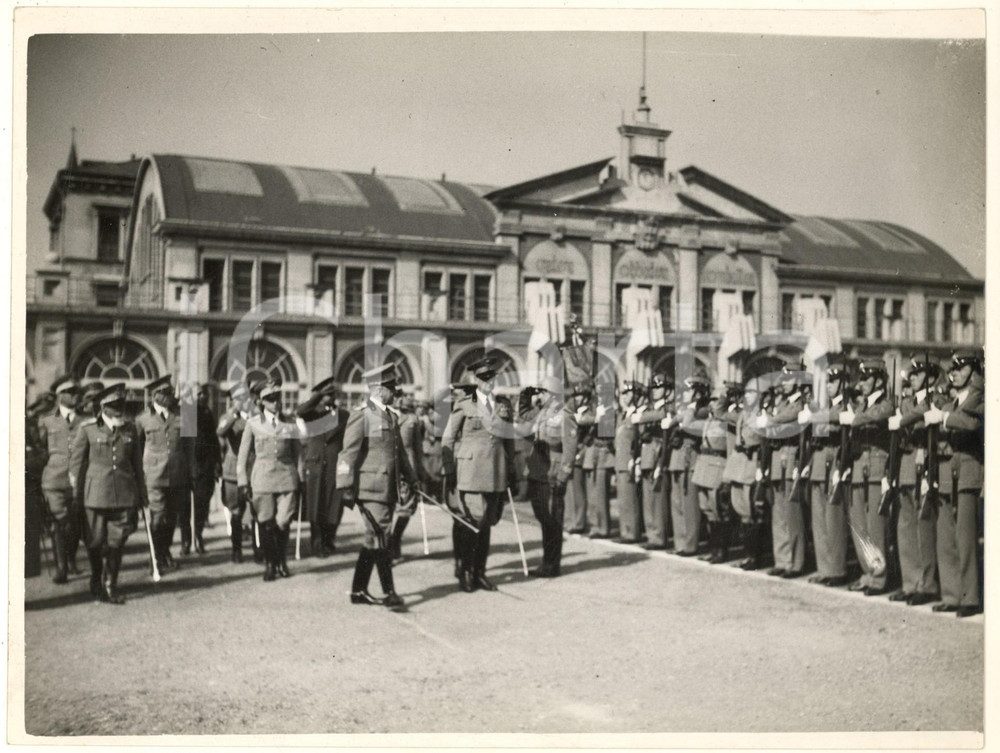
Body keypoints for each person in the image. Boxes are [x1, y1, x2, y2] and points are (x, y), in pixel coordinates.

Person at [336, 364, 418, 606]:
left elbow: (400, 454)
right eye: (391, 388)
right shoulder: (362, 414)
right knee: (382, 534)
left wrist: (412, 477)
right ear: (380, 390)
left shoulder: (391, 416)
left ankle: (358, 591)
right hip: (370, 488)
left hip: (387, 488)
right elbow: (347, 453)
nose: (395, 392)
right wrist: (345, 485)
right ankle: (389, 592)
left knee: (373, 538)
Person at [441, 356, 516, 593]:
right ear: (476, 380)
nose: (488, 382)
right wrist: (449, 470)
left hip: (496, 471)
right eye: (484, 378)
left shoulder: (503, 405)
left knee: (487, 524)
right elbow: (448, 439)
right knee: (472, 523)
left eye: (491, 377)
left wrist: (511, 469)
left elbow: (509, 440)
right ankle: (465, 570)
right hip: (471, 471)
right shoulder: (465, 404)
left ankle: (479, 572)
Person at [68, 383, 146, 604]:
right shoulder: (88, 429)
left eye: (121, 404)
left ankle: (110, 585)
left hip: (124, 495)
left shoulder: (131, 429)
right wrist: (76, 495)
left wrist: (142, 493)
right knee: (94, 542)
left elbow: (137, 465)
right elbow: (76, 465)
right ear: (103, 407)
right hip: (95, 496)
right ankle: (96, 577)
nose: (119, 409)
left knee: (117, 542)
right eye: (114, 405)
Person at [922, 351, 983, 618]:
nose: (954, 373)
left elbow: (971, 423)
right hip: (947, 471)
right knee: (946, 536)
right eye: (953, 369)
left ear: (973, 371)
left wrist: (944, 419)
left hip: (968, 472)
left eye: (960, 368)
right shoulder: (951, 401)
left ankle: (969, 597)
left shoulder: (978, 398)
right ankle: (951, 594)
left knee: (965, 538)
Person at [886, 356, 941, 605]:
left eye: (919, 374)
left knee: (923, 527)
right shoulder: (906, 402)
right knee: (905, 526)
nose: (913, 378)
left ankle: (927, 585)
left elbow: (922, 412)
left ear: (931, 377)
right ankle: (910, 583)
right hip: (906, 464)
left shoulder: (935, 399)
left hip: (924, 464)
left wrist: (902, 419)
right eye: (912, 375)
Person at [237, 377, 300, 582]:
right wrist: (242, 482)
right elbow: (243, 456)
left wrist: (300, 478)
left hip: (286, 477)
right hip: (262, 479)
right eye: (270, 399)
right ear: (261, 402)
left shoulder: (290, 423)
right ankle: (271, 564)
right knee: (266, 523)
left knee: (283, 522)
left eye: (278, 397)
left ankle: (282, 561)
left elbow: (297, 453)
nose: (276, 402)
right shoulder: (253, 424)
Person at [841, 359, 894, 596]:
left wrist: (854, 419)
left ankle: (879, 578)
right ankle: (868, 572)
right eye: (860, 379)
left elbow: (879, 415)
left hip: (876, 468)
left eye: (866, 378)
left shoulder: (885, 403)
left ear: (879, 381)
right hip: (858, 467)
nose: (861, 383)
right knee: (859, 525)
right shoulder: (862, 405)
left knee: (875, 526)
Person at [517, 376, 578, 577]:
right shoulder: (541, 412)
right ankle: (547, 561)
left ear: (552, 394)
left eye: (542, 392)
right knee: (543, 517)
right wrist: (524, 397)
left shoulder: (564, 415)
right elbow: (523, 416)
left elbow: (570, 449)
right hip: (538, 472)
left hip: (552, 475)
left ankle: (552, 564)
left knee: (552, 520)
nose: (539, 396)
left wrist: (563, 476)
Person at [136, 375, 197, 571]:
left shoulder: (184, 416)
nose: (169, 396)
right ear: (155, 395)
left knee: (171, 518)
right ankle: (155, 555)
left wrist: (192, 473)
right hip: (153, 476)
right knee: (158, 516)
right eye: (164, 393)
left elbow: (190, 448)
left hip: (178, 475)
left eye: (170, 392)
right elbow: (136, 449)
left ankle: (165, 551)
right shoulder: (142, 419)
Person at [798, 362, 851, 587]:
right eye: (827, 382)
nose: (829, 385)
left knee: (833, 520)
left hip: (834, 461)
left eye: (834, 381)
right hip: (819, 462)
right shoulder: (825, 406)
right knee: (818, 521)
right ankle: (824, 568)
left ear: (843, 384)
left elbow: (835, 419)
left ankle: (837, 570)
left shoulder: (846, 405)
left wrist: (813, 416)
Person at [757, 363, 809, 578]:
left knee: (792, 515)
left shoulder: (801, 404)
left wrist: (769, 421)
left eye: (789, 380)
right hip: (778, 459)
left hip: (792, 458)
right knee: (778, 513)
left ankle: (795, 563)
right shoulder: (782, 403)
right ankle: (782, 559)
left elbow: (788, 422)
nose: (784, 384)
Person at [36, 375, 87, 583]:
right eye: (70, 392)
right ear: (59, 395)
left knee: (75, 524)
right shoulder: (46, 421)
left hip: (79, 481)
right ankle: (61, 567)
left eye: (76, 392)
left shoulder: (86, 420)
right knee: (59, 522)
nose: (75, 396)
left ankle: (70, 559)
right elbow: (40, 450)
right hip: (54, 481)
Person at [295, 377, 349, 558]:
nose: (329, 398)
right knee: (315, 505)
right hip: (316, 464)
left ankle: (329, 539)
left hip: (335, 465)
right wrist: (317, 396)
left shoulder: (343, 415)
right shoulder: (313, 414)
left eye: (331, 394)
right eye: (326, 395)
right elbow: (300, 411)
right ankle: (317, 544)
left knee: (334, 504)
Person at [724, 380, 764, 570]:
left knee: (750, 511)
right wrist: (727, 393)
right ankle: (748, 554)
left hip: (751, 463)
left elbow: (758, 438)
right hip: (738, 465)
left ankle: (753, 556)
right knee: (740, 508)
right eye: (745, 393)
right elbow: (720, 412)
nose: (747, 396)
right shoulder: (742, 413)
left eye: (751, 392)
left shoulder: (761, 414)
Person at [668, 374, 709, 556]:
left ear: (697, 394)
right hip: (677, 458)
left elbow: (687, 425)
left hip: (690, 459)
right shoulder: (686, 411)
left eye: (688, 390)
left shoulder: (702, 411)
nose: (683, 393)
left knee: (689, 505)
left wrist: (688, 410)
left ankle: (690, 544)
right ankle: (680, 543)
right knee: (677, 503)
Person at [632, 373, 674, 550]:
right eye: (654, 388)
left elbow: (661, 415)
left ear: (667, 390)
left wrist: (641, 417)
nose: (656, 391)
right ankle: (651, 534)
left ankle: (659, 536)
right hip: (647, 454)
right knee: (648, 499)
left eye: (659, 387)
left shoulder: (668, 407)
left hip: (659, 455)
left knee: (657, 499)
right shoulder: (649, 408)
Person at [693, 388, 733, 564]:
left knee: (718, 510)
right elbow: (692, 418)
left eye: (716, 400)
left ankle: (721, 550)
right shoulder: (709, 419)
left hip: (717, 466)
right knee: (706, 508)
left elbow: (731, 449)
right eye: (711, 400)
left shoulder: (727, 422)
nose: (712, 403)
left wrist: (727, 475)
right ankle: (713, 548)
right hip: (704, 466)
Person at [217, 385, 255, 563]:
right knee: (236, 512)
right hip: (233, 472)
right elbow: (220, 431)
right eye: (238, 399)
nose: (243, 402)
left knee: (258, 511)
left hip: (254, 470)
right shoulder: (229, 418)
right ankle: (237, 549)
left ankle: (259, 548)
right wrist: (234, 413)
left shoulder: (256, 416)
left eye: (245, 398)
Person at [387, 392, 426, 559]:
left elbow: (417, 447)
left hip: (408, 466)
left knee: (407, 507)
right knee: (387, 506)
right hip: (389, 466)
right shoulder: (385, 415)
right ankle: (386, 543)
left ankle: (395, 539)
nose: (399, 399)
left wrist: (420, 470)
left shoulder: (413, 419)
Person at [25, 392, 56, 579]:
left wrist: (24, 464)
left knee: (28, 531)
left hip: (27, 484)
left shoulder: (30, 426)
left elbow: (44, 454)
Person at [190, 384, 222, 554]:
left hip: (207, 467)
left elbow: (214, 440)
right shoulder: (188, 412)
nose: (203, 396)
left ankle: (198, 534)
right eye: (199, 394)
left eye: (205, 394)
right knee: (191, 506)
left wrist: (217, 463)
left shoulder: (208, 413)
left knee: (203, 503)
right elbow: (187, 444)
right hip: (193, 468)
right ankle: (188, 540)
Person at [613, 381, 643, 543]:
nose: (624, 397)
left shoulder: (637, 415)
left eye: (627, 393)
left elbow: (639, 440)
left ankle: (632, 533)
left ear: (635, 395)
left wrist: (636, 459)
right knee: (623, 500)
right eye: (623, 394)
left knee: (630, 500)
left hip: (629, 462)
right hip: (620, 461)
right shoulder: (622, 416)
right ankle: (625, 531)